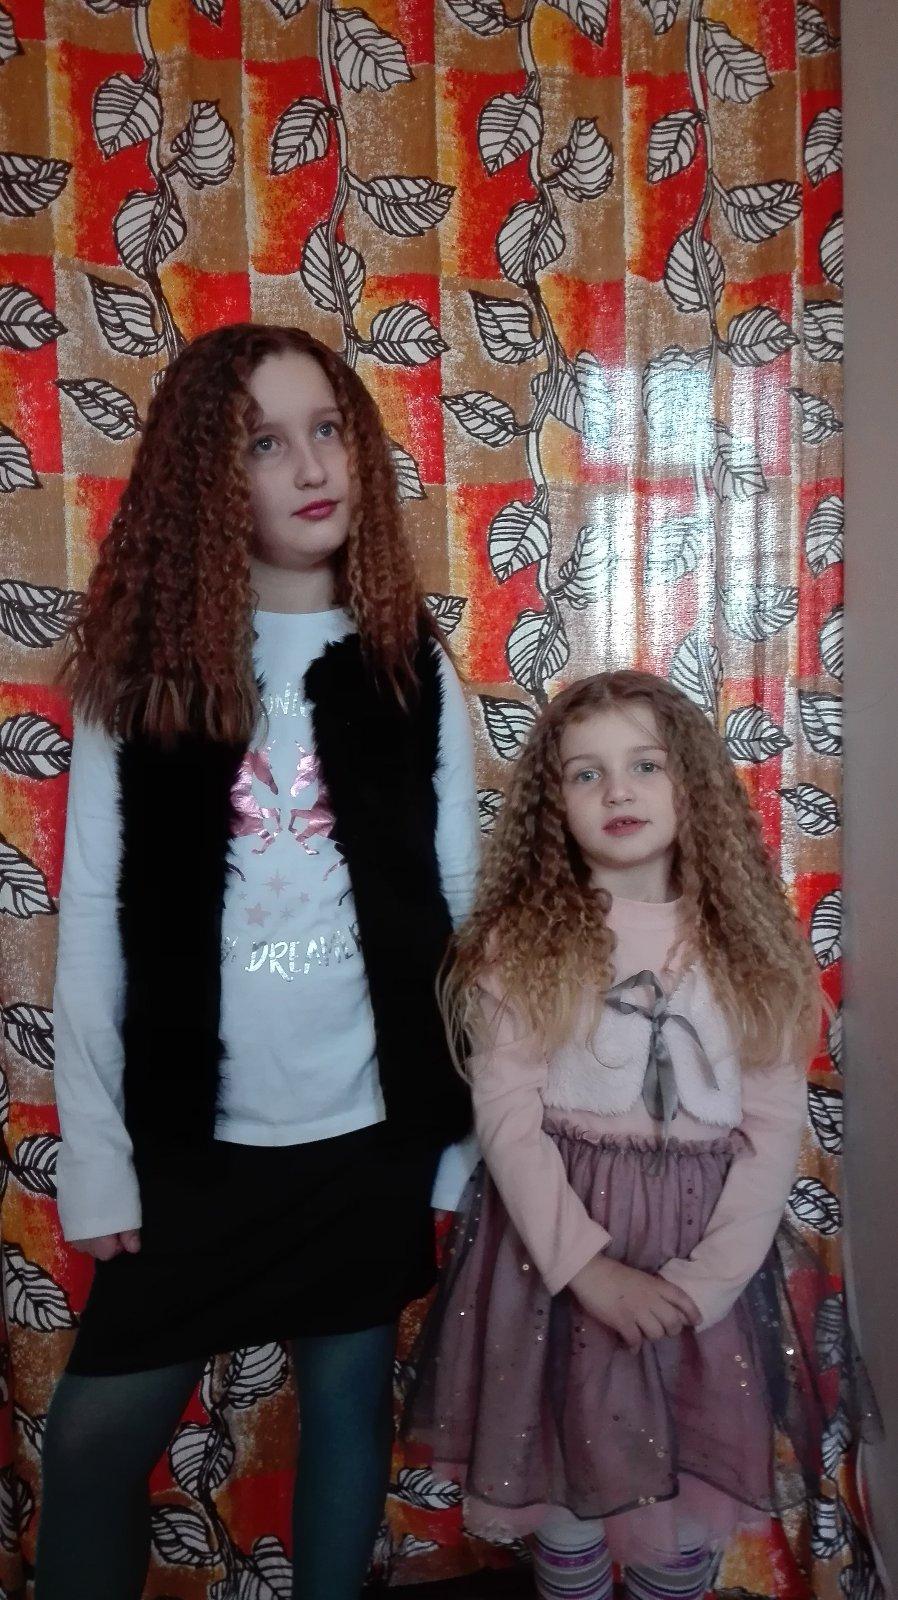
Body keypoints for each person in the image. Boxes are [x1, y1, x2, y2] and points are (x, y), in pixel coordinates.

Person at [37, 323, 480, 1600]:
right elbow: (95, 919)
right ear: (206, 479)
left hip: (369, 1136)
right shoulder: (147, 677)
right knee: (92, 1446)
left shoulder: (410, 667)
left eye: (326, 429)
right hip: (196, 1148)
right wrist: (99, 1157)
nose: (311, 466)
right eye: (264, 443)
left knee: (347, 1409)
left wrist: (456, 1142)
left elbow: (458, 914)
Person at [404, 669, 832, 1600]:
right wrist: (588, 1270)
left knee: (680, 1508)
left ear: (693, 783)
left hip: (700, 1267)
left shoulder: (754, 946)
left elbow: (771, 1130)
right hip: (557, 1269)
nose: (618, 791)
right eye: (585, 774)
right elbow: (508, 1122)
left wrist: (707, 1285)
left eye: (646, 764)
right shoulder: (522, 944)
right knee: (569, 1495)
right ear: (552, 805)